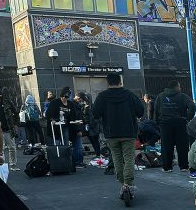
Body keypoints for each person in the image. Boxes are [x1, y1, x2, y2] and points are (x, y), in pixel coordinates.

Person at [92, 72, 145, 200]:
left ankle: (123, 183)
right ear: (120, 81)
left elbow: (95, 113)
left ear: (108, 83)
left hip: (111, 133)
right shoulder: (129, 95)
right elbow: (140, 111)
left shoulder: (102, 96)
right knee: (128, 159)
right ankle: (128, 183)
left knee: (116, 159)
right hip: (128, 132)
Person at [153, 79, 195, 172]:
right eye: (179, 86)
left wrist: (156, 122)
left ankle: (167, 167)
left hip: (165, 123)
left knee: (166, 145)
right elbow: (192, 106)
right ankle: (184, 166)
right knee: (182, 145)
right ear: (176, 87)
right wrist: (188, 118)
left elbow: (155, 109)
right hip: (180, 122)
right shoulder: (183, 96)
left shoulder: (160, 96)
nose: (180, 88)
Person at [47, 87, 84, 167]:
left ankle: (66, 160)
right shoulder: (55, 102)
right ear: (61, 95)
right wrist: (53, 119)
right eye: (64, 96)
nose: (65, 98)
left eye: (67, 97)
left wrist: (76, 124)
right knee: (56, 144)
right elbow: (48, 114)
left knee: (66, 142)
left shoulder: (70, 104)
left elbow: (73, 116)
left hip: (66, 126)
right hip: (55, 127)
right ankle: (56, 161)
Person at [0, 89, 19, 171]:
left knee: (12, 147)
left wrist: (16, 124)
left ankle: (13, 164)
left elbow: (16, 113)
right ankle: (2, 166)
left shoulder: (7, 102)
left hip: (9, 129)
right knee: (0, 149)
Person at [77, 91, 101, 158]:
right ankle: (97, 154)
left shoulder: (91, 106)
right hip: (88, 126)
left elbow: (95, 116)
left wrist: (91, 123)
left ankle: (98, 155)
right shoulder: (83, 106)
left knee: (95, 141)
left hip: (93, 126)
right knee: (93, 141)